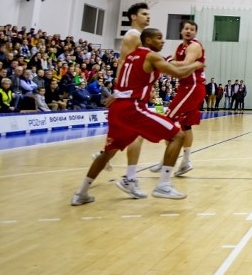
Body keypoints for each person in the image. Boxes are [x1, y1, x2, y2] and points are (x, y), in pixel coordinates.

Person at [70, 28, 204, 206]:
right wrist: (196, 65)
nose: (162, 42)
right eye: (159, 38)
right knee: (177, 135)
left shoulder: (129, 58)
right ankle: (163, 184)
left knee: (108, 152)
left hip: (117, 108)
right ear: (147, 40)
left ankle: (81, 193)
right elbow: (178, 73)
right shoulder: (151, 56)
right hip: (132, 107)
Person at [92, 3, 151, 194]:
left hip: (135, 90)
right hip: (130, 91)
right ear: (134, 17)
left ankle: (103, 157)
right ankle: (130, 178)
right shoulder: (132, 36)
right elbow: (123, 63)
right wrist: (119, 91)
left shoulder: (138, 36)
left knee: (125, 136)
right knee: (137, 134)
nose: (148, 17)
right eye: (144, 14)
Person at [151, 20, 206, 177]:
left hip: (192, 87)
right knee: (186, 125)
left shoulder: (194, 46)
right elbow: (175, 66)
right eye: (186, 28)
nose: (189, 31)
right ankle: (186, 161)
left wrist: (167, 60)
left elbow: (184, 65)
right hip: (188, 87)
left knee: (167, 122)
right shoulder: (180, 47)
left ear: (195, 32)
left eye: (192, 29)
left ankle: (165, 162)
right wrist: (169, 62)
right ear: (181, 31)